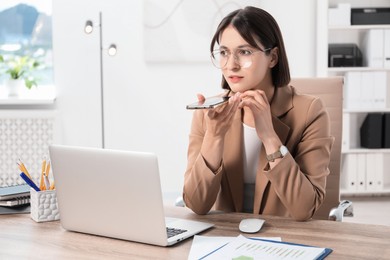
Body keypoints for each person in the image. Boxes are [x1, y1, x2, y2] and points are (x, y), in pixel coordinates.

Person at [182, 6, 334, 221]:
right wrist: (214, 138)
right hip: (225, 237)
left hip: (283, 240)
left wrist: (270, 137)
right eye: (224, 53)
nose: (231, 65)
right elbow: (196, 204)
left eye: (244, 52)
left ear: (272, 57)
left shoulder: (310, 112)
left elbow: (304, 209)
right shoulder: (209, 114)